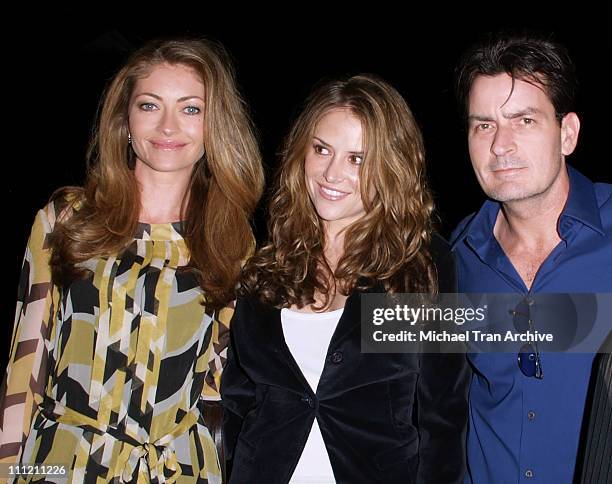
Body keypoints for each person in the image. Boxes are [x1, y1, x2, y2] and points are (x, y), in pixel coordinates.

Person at [0, 38, 264, 482]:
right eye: (149, 105)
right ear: (125, 119)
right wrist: (10, 470)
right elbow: (25, 368)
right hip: (62, 464)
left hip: (179, 469)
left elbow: (219, 386)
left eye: (191, 109)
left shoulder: (231, 244)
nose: (167, 126)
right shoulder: (65, 220)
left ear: (213, 125)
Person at [221, 74, 469, 484]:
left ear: (391, 167)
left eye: (357, 159)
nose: (332, 173)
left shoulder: (421, 265)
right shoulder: (268, 264)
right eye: (321, 149)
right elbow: (240, 400)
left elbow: (443, 414)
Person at [451, 32, 612, 482]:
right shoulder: (454, 260)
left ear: (568, 133)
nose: (500, 145)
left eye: (523, 120)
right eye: (483, 124)